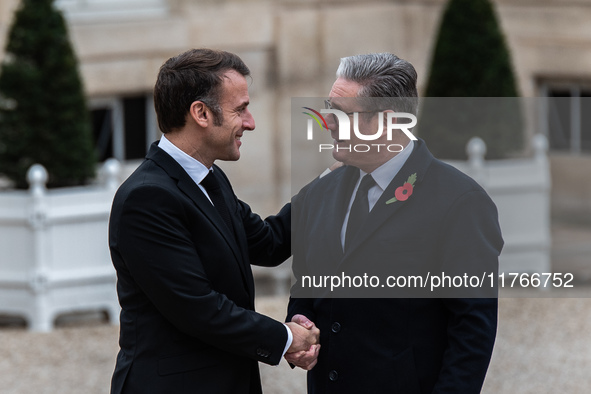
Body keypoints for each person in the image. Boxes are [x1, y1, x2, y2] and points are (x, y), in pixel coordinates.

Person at [287, 53, 503, 393]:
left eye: (342, 113)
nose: (326, 122)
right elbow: (307, 281)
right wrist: (300, 320)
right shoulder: (319, 193)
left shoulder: (461, 202)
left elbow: (472, 329)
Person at [109, 48, 319, 394]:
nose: (250, 122)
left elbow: (268, 243)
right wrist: (286, 338)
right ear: (201, 113)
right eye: (241, 109)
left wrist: (328, 187)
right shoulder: (146, 198)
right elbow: (199, 308)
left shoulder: (210, 178)